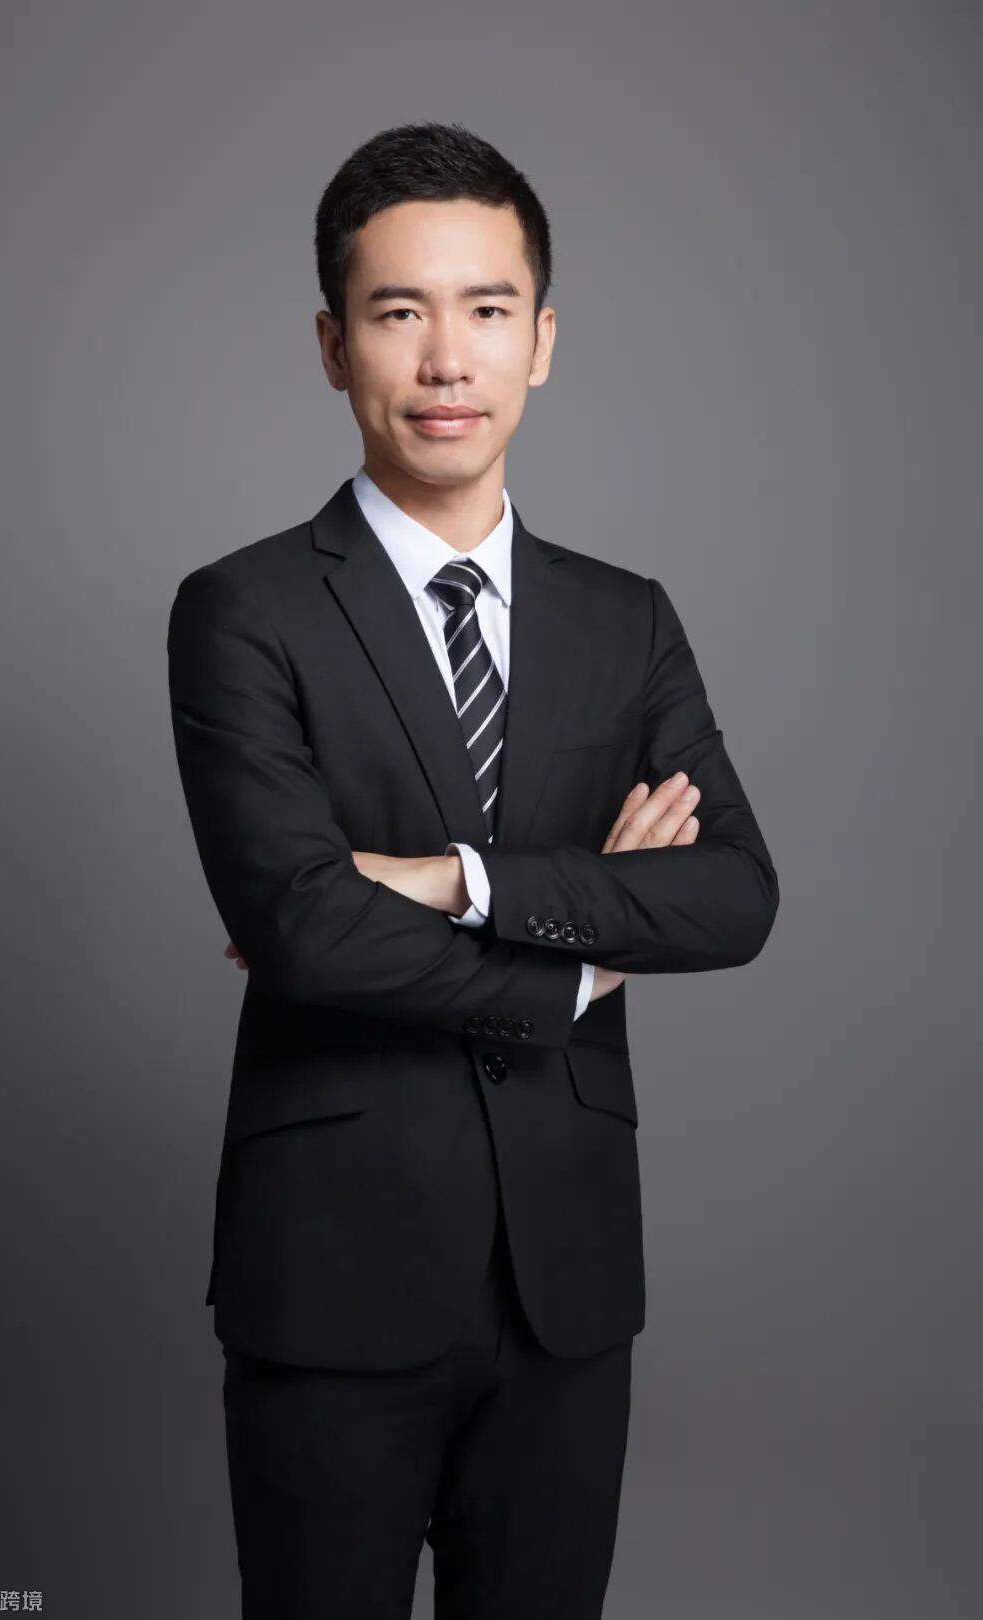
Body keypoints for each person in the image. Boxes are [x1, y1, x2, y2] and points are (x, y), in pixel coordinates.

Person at [166, 119, 778, 1620]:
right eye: (399, 312)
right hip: (334, 1275)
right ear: (334, 346)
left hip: (569, 1285)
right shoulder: (243, 611)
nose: (448, 359)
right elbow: (305, 931)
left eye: (487, 309)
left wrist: (453, 878)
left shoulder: (627, 621)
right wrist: (581, 961)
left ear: (542, 340)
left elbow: (732, 896)